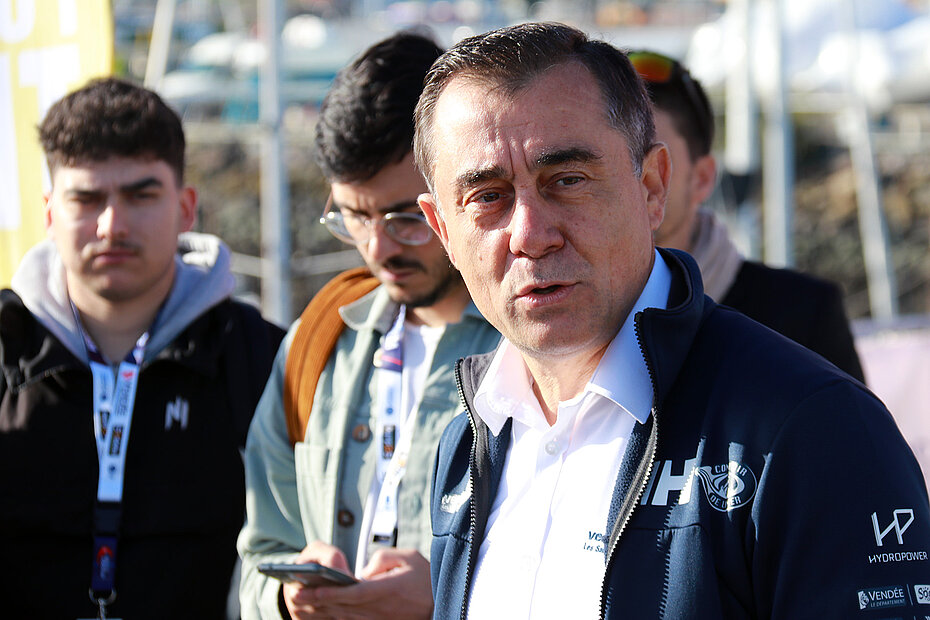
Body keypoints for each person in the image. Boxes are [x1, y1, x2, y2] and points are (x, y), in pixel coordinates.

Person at [414, 22, 930, 619]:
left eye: (568, 180)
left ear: (653, 186)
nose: (530, 233)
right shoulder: (466, 443)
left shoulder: (812, 426)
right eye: (488, 196)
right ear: (442, 229)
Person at [237, 32, 500, 620]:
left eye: (407, 216)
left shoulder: (540, 348)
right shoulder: (318, 342)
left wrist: (450, 597)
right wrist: (287, 599)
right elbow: (256, 560)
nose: (379, 247)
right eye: (354, 215)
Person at [0, 77, 285, 618]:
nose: (112, 224)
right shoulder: (5, 345)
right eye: (86, 198)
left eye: (140, 195)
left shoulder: (259, 356)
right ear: (49, 212)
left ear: (186, 207)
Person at [627, 49, 865, 381]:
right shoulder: (564, 311)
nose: (628, 178)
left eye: (651, 159)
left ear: (703, 179)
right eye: (607, 158)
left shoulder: (802, 315)